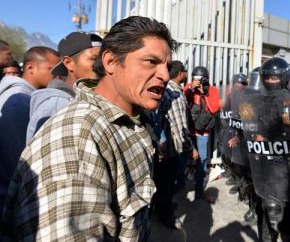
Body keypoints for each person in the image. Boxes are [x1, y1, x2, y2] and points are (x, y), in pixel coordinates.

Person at [1, 16, 176, 241]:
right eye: (151, 61)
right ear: (111, 62)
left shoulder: (132, 122)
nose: (164, 75)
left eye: (167, 66)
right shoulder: (76, 137)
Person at [240, 57, 290, 241]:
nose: (270, 82)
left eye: (274, 78)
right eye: (267, 78)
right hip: (266, 166)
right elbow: (248, 125)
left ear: (284, 78)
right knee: (270, 210)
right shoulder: (256, 100)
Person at [0, 46, 59, 212]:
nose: (56, 73)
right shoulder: (19, 100)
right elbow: (17, 157)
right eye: (51, 68)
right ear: (30, 67)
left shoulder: (24, 95)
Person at [26, 32, 102, 143]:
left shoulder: (85, 98)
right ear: (69, 63)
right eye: (95, 59)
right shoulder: (57, 106)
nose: (103, 65)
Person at [151, 60, 196, 229]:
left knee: (163, 182)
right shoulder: (172, 94)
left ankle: (162, 207)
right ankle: (165, 213)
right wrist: (190, 148)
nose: (186, 74)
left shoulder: (172, 90)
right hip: (172, 149)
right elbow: (179, 126)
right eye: (185, 71)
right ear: (180, 74)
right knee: (169, 182)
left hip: (165, 147)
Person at [184, 66, 220, 200]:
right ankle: (179, 186)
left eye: (200, 80)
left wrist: (205, 93)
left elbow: (214, 108)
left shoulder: (212, 90)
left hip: (202, 134)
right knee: (182, 160)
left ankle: (199, 190)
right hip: (188, 131)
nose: (198, 82)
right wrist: (191, 89)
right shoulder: (189, 88)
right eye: (195, 79)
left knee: (202, 161)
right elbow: (182, 102)